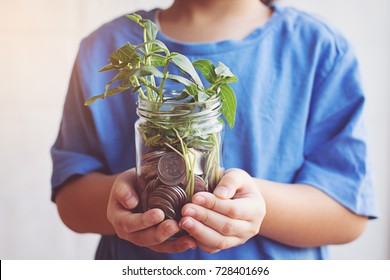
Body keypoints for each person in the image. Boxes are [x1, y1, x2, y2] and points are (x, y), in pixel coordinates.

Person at [51, 0, 377, 259]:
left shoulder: (320, 48)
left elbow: (348, 214)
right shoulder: (104, 47)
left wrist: (258, 207)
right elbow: (70, 199)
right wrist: (123, 199)